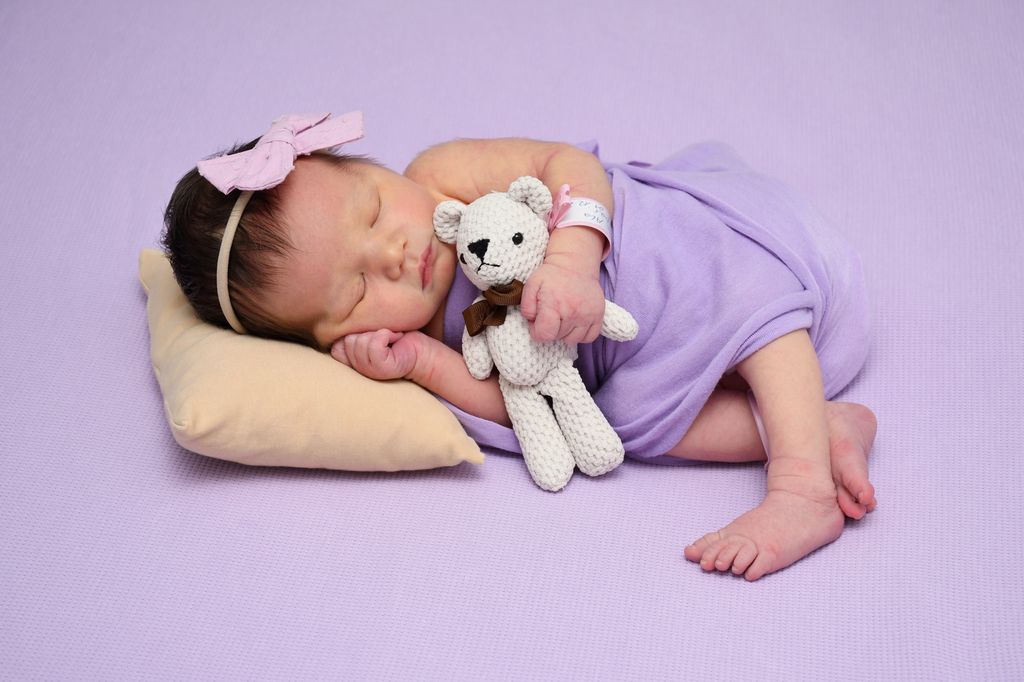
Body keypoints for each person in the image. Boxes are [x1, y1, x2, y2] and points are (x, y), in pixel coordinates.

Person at [163, 112, 878, 581]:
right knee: (624, 423)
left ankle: (802, 488)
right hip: (643, 356)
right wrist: (425, 365)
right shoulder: (405, 339)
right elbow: (517, 404)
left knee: (717, 285)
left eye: (374, 210)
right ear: (329, 339)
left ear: (370, 168)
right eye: (354, 290)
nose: (393, 255)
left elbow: (563, 163)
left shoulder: (439, 174)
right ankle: (816, 426)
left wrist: (572, 259)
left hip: (659, 249)